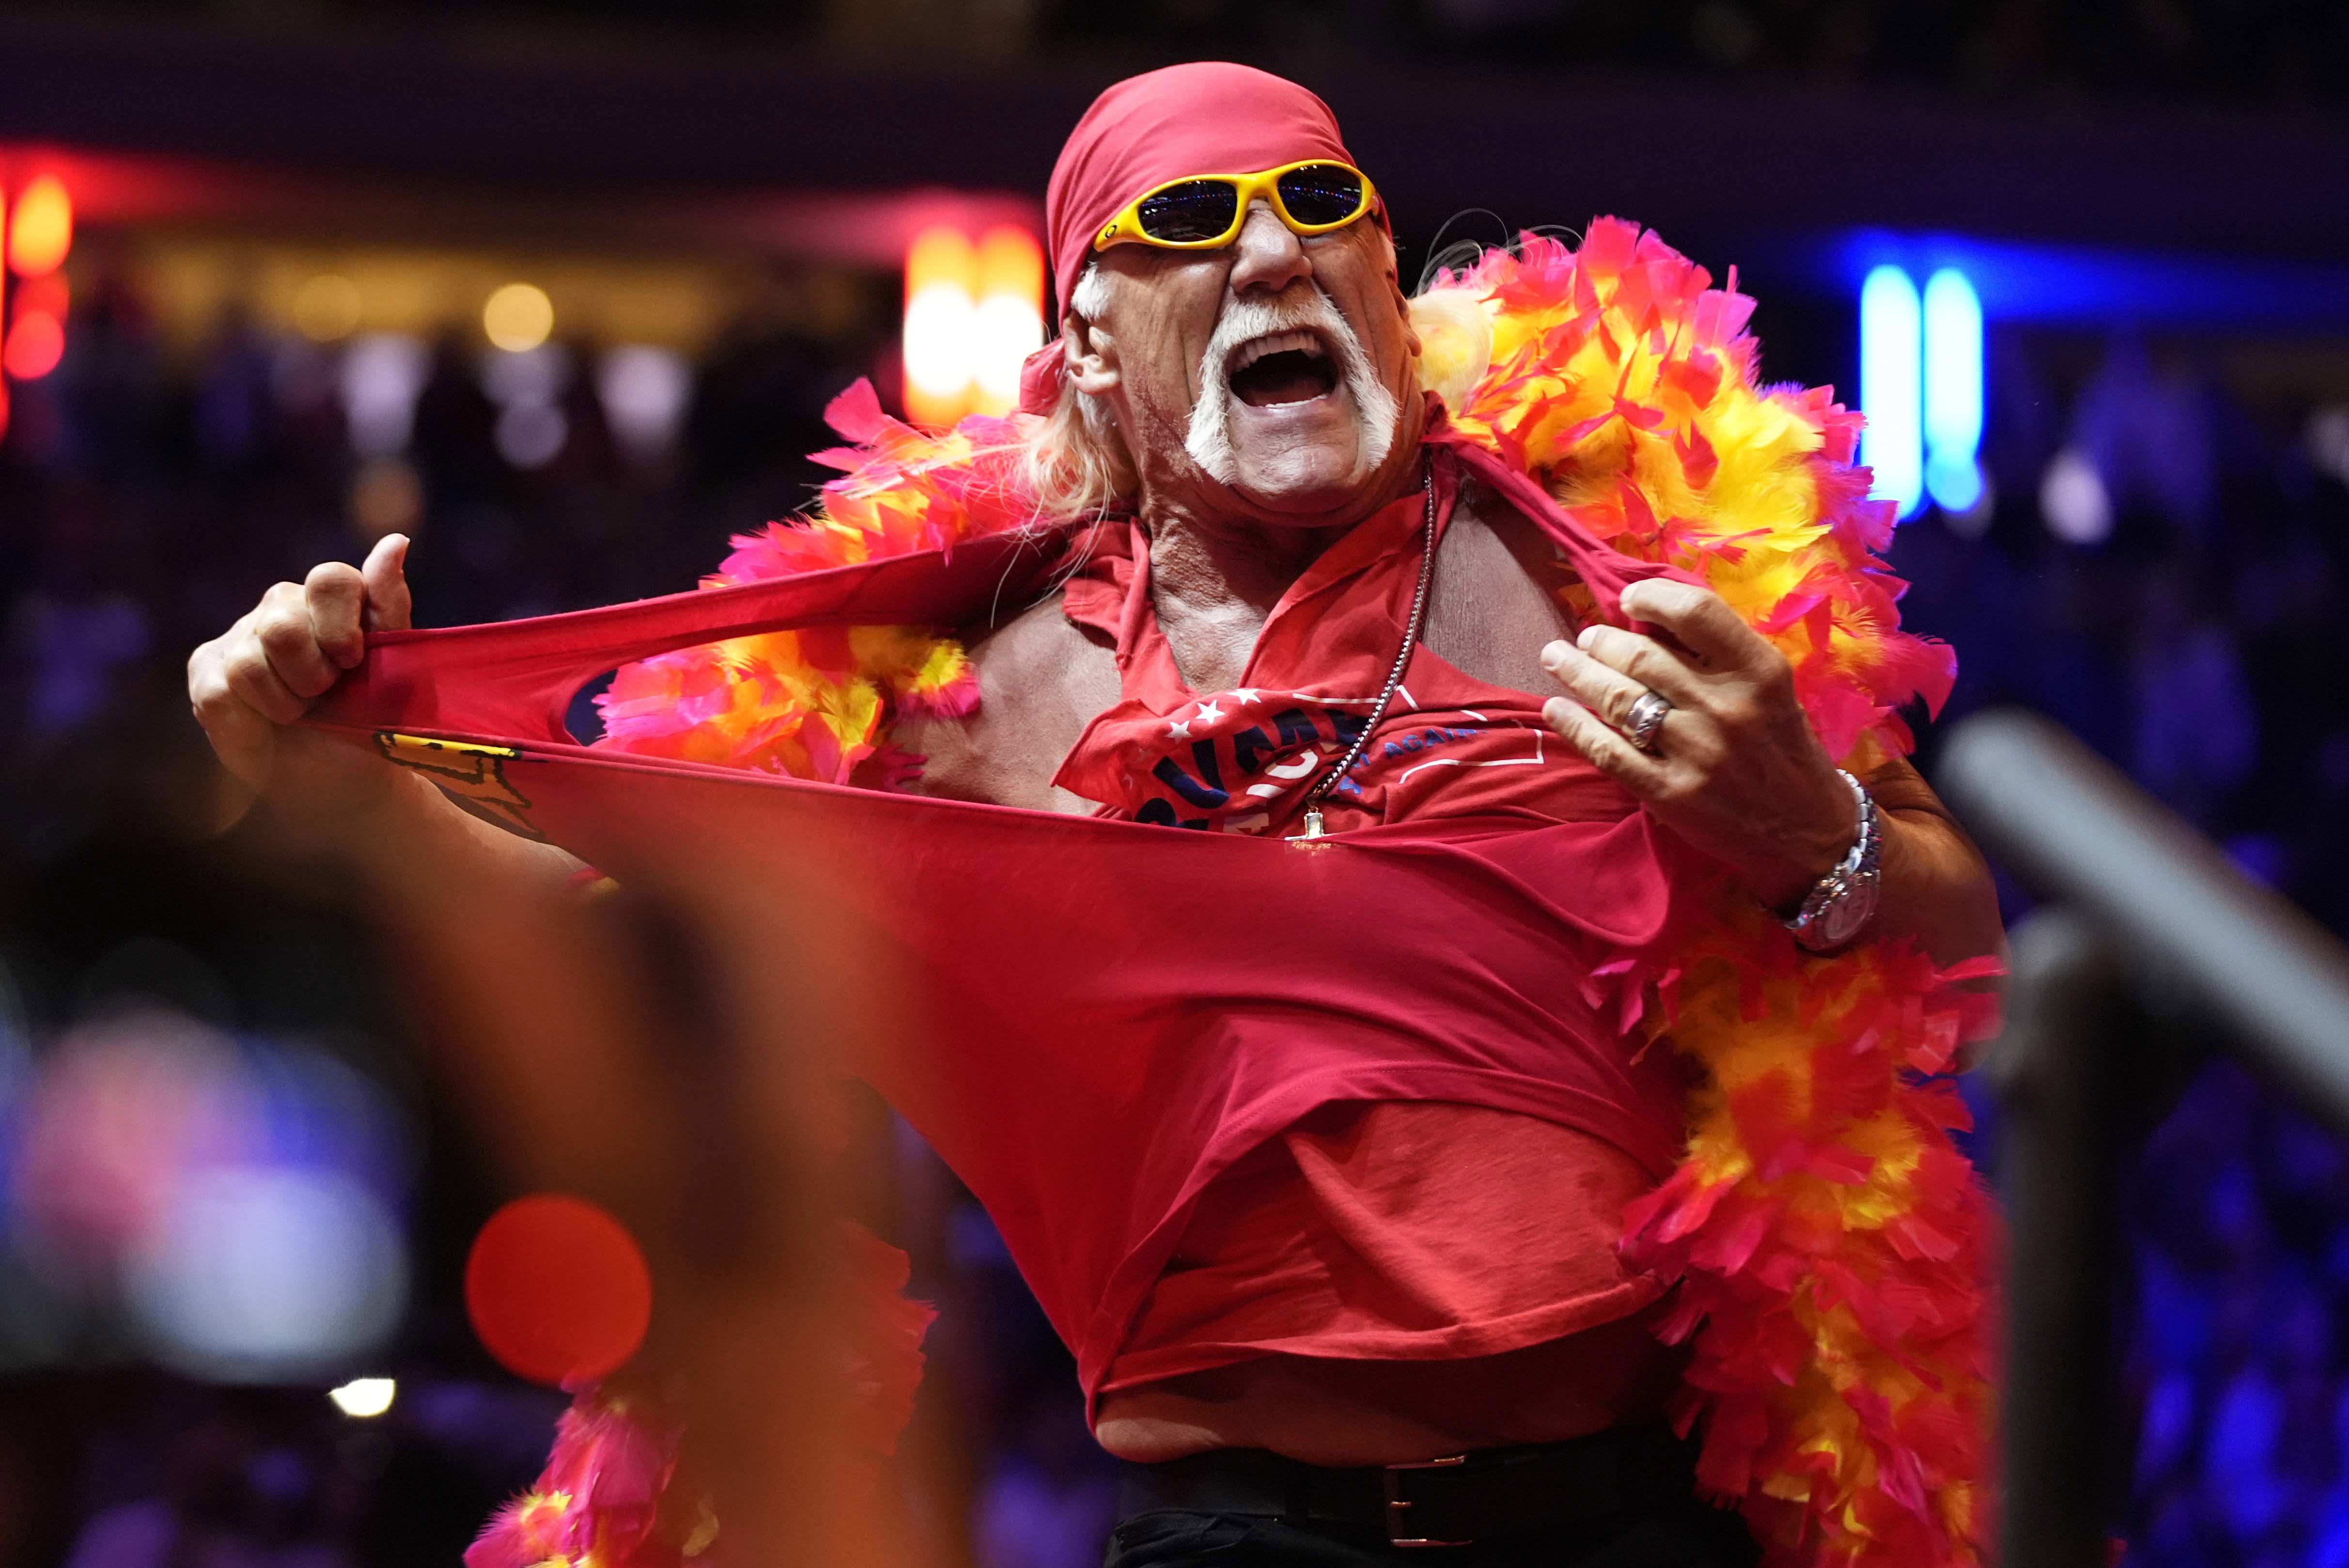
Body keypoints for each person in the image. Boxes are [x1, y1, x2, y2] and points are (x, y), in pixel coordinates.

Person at [190, 62, 2003, 1568]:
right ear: (1093, 343)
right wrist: (319, 770)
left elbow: (1956, 935)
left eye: (1323, 210)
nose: (1276, 254)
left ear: (1393, 286)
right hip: (1234, 1534)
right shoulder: (961, 691)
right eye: (1190, 228)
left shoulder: (1620, 566)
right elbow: (623, 965)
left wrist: (1806, 824)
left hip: (1648, 1517)